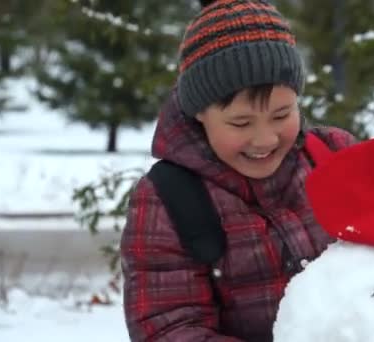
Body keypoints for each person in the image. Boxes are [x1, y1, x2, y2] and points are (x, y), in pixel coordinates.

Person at [120, 0, 357, 341]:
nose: (265, 139)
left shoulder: (333, 155)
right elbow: (168, 327)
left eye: (281, 115)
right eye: (241, 122)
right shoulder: (168, 199)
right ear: (199, 113)